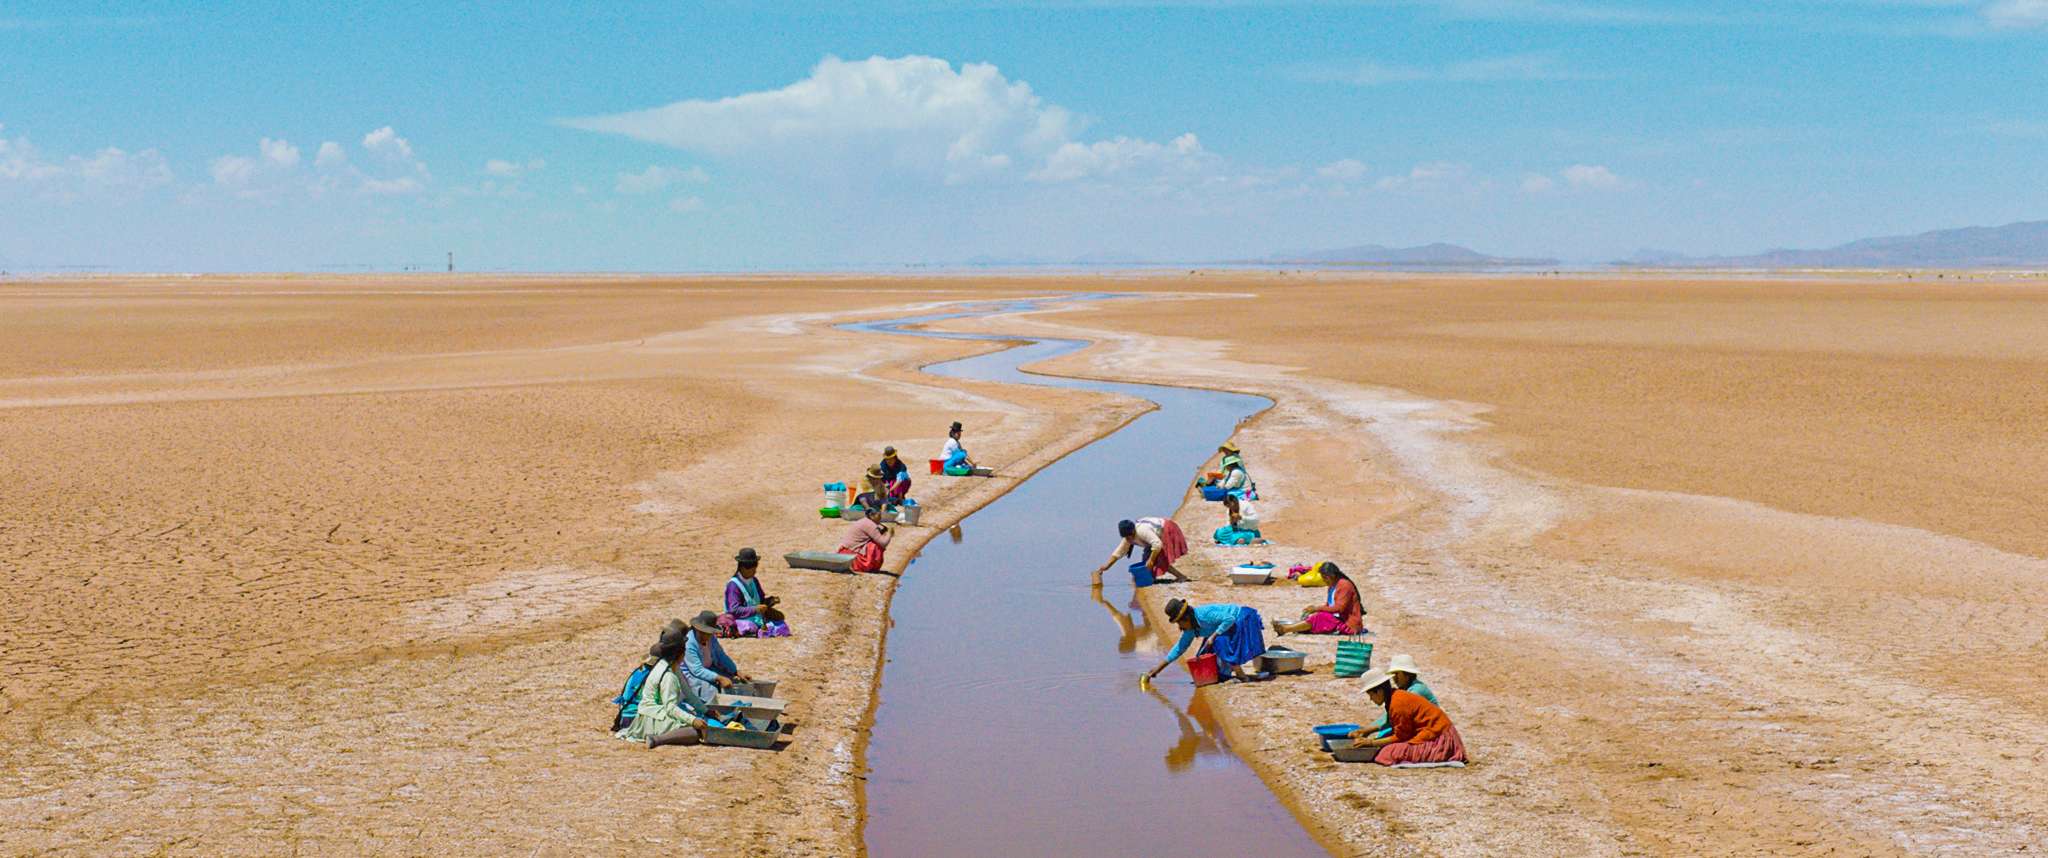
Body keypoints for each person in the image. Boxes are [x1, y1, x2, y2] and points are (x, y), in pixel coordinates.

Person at [615, 620, 712, 749]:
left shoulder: (664, 665)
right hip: (649, 718)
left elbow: (688, 693)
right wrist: (692, 721)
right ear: (681, 654)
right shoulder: (668, 676)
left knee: (691, 718)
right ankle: (657, 739)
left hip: (649, 714)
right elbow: (670, 707)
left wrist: (705, 711)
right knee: (694, 732)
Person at [1348, 670, 1467, 766]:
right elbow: (1392, 723)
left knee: (1386, 754)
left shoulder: (1398, 702)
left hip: (1438, 737)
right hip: (1435, 731)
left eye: (1371, 695)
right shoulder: (1395, 697)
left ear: (1379, 692)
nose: (1371, 699)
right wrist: (1365, 731)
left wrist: (1371, 743)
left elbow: (1400, 736)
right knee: (1384, 744)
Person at [1145, 598, 1269, 684]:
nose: (1179, 625)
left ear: (1186, 617)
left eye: (1179, 621)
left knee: (1219, 641)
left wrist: (1213, 635)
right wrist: (1158, 669)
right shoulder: (1190, 629)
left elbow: (1229, 619)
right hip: (1227, 627)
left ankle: (1241, 675)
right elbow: (1179, 649)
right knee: (1205, 651)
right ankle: (1227, 672)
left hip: (1241, 619)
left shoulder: (1204, 615)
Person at [1272, 561, 1364, 636]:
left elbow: (1339, 609)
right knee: (1315, 617)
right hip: (1338, 619)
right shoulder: (1332, 586)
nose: (1324, 581)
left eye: (1325, 578)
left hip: (1348, 625)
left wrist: (1317, 608)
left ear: (1331, 576)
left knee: (1319, 618)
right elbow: (1329, 606)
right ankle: (1289, 627)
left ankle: (1286, 629)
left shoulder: (1344, 585)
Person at [1090, 516, 1190, 585]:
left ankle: (1181, 577)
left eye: (1129, 537)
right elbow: (1119, 552)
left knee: (1158, 559)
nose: (1128, 539)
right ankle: (1147, 579)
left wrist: (1151, 560)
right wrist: (1107, 566)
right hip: (1154, 539)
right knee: (1146, 559)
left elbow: (1157, 544)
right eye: (1126, 538)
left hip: (1166, 529)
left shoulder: (1142, 531)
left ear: (1133, 531)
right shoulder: (1128, 538)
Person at [682, 610, 752, 703]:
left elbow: (721, 655)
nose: (707, 636)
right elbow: (697, 670)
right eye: (704, 633)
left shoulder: (711, 638)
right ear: (697, 629)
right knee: (711, 692)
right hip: (691, 675)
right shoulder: (689, 643)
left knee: (732, 681)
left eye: (709, 633)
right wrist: (719, 678)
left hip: (709, 668)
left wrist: (736, 671)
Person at [1363, 654, 1437, 740]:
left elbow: (1396, 718)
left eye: (1397, 674)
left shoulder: (1416, 690)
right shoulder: (1403, 690)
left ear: (1407, 674)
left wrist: (1367, 730)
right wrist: (1366, 729)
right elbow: (1390, 716)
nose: (1394, 678)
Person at [719, 548, 789, 638]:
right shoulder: (733, 585)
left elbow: (760, 601)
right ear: (743, 568)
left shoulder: (754, 580)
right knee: (749, 626)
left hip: (757, 618)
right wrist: (755, 609)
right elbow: (734, 610)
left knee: (781, 622)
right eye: (752, 570)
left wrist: (770, 601)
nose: (755, 572)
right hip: (741, 620)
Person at [838, 504, 892, 573]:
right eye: (878, 515)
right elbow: (883, 543)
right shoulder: (870, 524)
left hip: (845, 553)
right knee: (876, 546)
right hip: (852, 557)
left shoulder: (864, 521)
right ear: (871, 516)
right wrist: (890, 534)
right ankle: (868, 566)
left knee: (874, 541)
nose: (880, 518)